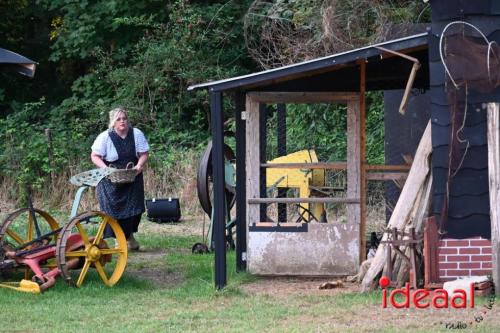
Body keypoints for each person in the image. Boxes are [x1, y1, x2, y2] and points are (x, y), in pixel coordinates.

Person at [90, 107, 149, 251]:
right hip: (111, 179)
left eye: (124, 118)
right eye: (118, 119)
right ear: (113, 122)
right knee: (113, 210)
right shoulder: (105, 137)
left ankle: (129, 237)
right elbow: (94, 156)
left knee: (135, 210)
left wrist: (139, 166)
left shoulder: (136, 134)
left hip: (132, 176)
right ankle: (118, 240)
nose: (122, 121)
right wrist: (106, 169)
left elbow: (144, 153)